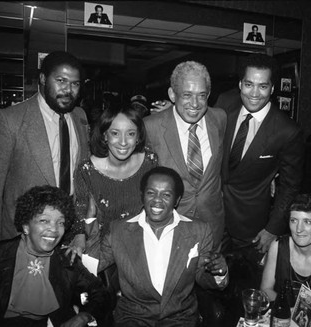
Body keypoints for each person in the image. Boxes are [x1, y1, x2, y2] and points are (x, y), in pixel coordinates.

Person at [86, 167, 228, 326]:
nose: (157, 200)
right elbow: (91, 268)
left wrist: (219, 272)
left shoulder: (199, 230)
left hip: (180, 318)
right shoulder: (119, 231)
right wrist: (90, 224)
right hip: (133, 318)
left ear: (177, 200)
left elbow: (204, 278)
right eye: (151, 193)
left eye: (166, 194)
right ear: (142, 195)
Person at [0, 51, 91, 245]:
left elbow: (83, 180)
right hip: (22, 238)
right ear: (43, 79)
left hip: (68, 236)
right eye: (61, 80)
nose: (68, 90)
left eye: (75, 84)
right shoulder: (10, 120)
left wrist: (81, 229)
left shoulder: (80, 117)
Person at [0, 185, 110, 326]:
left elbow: (100, 293)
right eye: (44, 220)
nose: (54, 229)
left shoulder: (67, 260)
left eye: (60, 222)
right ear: (25, 226)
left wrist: (85, 316)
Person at [220, 53, 304, 288]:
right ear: (240, 84)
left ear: (272, 88)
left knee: (249, 289)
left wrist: (272, 229)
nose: (254, 93)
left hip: (252, 228)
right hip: (213, 217)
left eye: (262, 86)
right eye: (248, 84)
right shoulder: (225, 103)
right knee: (211, 285)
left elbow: (290, 185)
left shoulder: (287, 131)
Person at [144, 61, 227, 248]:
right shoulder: (151, 127)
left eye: (202, 96)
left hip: (212, 226)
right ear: (172, 95)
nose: (195, 104)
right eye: (187, 95)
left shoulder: (220, 119)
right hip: (169, 228)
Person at [67, 104, 157, 253]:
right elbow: (80, 210)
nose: (123, 142)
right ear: (104, 136)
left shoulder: (150, 163)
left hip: (141, 248)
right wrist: (79, 236)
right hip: (102, 250)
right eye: (115, 133)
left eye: (130, 134)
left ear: (138, 137)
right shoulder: (87, 171)